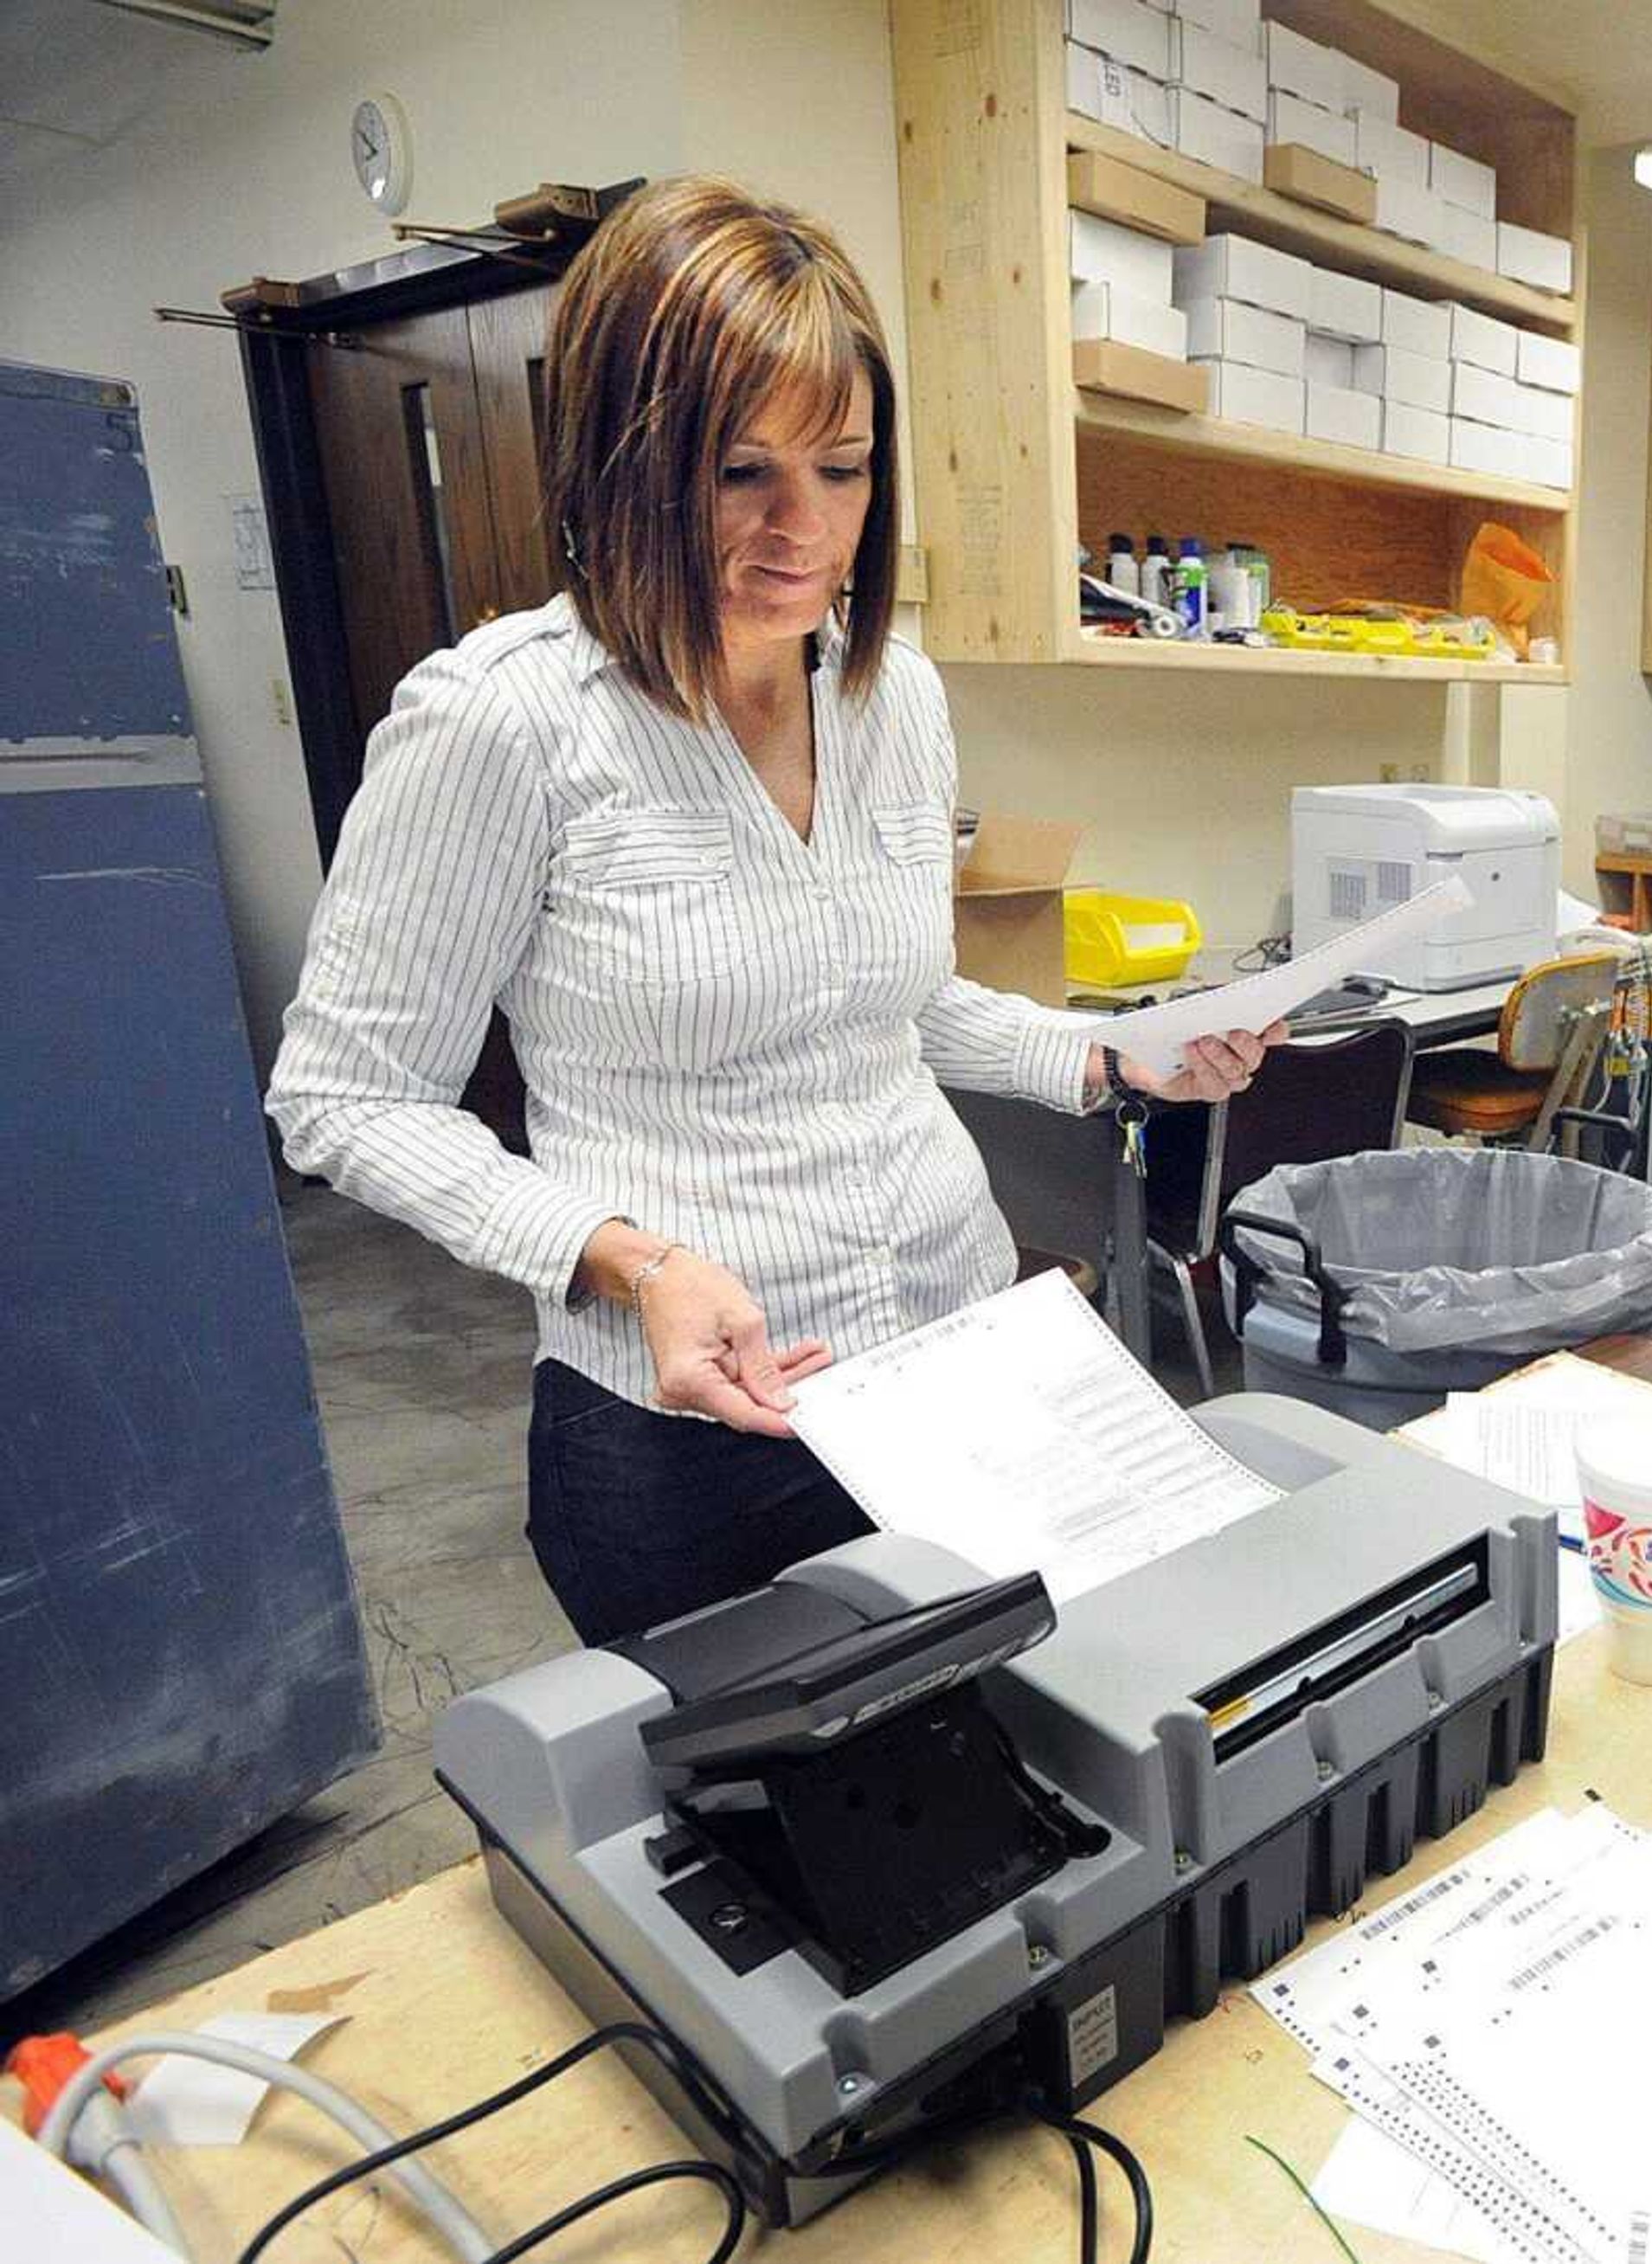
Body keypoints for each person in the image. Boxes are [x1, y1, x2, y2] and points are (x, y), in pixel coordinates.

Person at [266, 177, 1283, 1645]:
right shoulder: (505, 723)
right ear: (625, 460)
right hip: (701, 1441)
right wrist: (638, 1262)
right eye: (741, 473)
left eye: (846, 469)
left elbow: (894, 999)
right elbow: (343, 1099)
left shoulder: (894, 697)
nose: (805, 531)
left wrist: (1113, 1058)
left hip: (955, 1362)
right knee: (785, 1844)